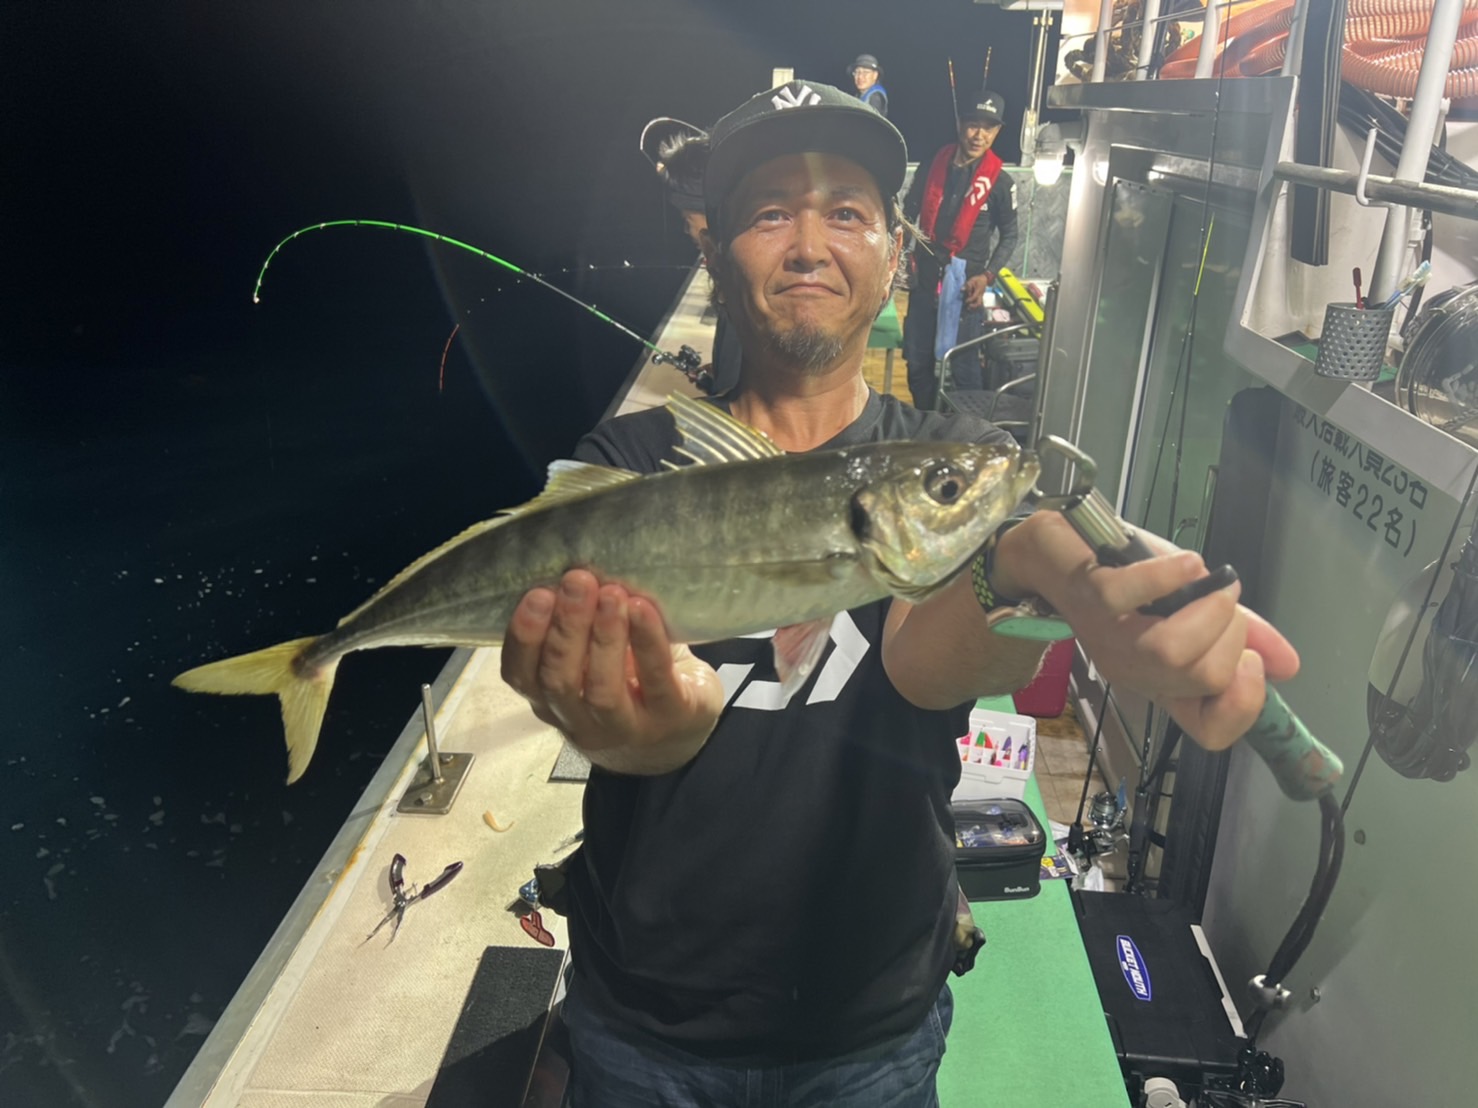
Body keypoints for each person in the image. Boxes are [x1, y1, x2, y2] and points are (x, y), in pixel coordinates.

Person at [501, 79, 1297, 1107]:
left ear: (894, 257)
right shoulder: (632, 463)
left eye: (846, 212)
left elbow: (927, 651)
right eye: (768, 213)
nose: (807, 244)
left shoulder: (943, 457)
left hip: (868, 1027)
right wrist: (635, 733)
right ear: (715, 255)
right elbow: (632, 728)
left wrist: (1058, 580)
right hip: (646, 1020)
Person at [901, 90, 1020, 411]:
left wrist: (987, 276)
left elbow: (1010, 235)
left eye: (989, 128)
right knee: (917, 364)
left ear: (997, 132)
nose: (979, 135)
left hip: (967, 291)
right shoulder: (932, 165)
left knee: (965, 372)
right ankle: (925, 423)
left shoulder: (1001, 182)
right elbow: (908, 213)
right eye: (973, 125)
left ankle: (962, 431)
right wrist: (901, 257)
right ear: (959, 124)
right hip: (925, 283)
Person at [639, 116, 742, 395]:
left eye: (688, 219)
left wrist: (725, 387)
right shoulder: (732, 273)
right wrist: (720, 371)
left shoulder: (744, 293)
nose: (686, 230)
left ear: (714, 215)